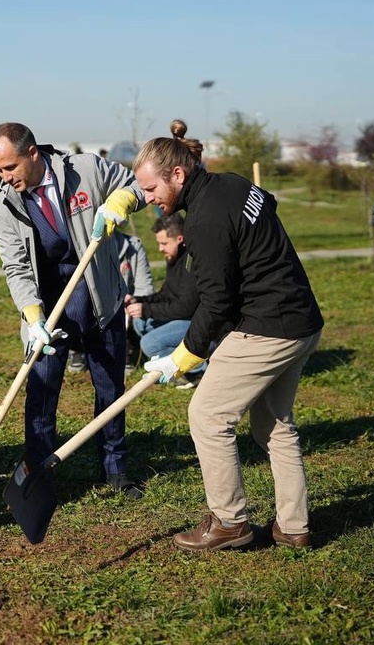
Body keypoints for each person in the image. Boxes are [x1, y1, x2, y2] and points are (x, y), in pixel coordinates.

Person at [133, 119, 323, 552]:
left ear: (177, 175)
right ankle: (294, 527)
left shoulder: (204, 224)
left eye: (150, 189)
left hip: (267, 327)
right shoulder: (232, 184)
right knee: (275, 425)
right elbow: (268, 203)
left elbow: (216, 305)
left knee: (207, 415)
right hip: (302, 320)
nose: (147, 199)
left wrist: (184, 355)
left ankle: (229, 521)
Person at [0, 122, 146, 499]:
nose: (5, 178)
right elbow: (16, 266)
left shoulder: (86, 170)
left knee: (110, 388)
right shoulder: (4, 206)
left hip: (99, 299)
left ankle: (115, 468)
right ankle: (40, 475)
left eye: (10, 168)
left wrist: (122, 200)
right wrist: (32, 317)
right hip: (48, 310)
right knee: (41, 392)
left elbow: (140, 182)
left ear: (32, 154)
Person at [123, 214, 206, 389]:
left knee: (149, 343)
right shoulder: (174, 257)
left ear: (180, 239)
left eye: (164, 243)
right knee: (140, 324)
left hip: (200, 323)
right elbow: (167, 293)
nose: (160, 248)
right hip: (184, 317)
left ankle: (200, 369)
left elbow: (186, 308)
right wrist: (139, 300)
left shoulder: (193, 260)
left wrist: (146, 310)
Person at [69, 231, 152, 375]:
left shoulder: (133, 246)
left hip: (124, 309)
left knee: (137, 309)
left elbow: (145, 288)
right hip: (93, 306)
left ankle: (128, 346)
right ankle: (78, 347)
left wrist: (133, 299)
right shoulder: (80, 247)